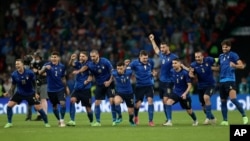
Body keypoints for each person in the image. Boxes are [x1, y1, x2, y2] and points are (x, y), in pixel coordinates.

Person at [75, 49, 118, 126]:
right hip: (99, 85)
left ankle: (114, 120)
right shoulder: (91, 64)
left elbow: (113, 72)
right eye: (91, 56)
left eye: (94, 56)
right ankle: (98, 122)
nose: (92, 58)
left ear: (98, 55)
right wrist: (88, 80)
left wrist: (109, 81)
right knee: (97, 102)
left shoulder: (105, 61)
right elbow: (90, 75)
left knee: (112, 100)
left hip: (109, 84)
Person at [3, 59, 50, 128]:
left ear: (22, 64)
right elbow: (13, 85)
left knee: (38, 107)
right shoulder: (14, 74)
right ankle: (9, 123)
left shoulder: (30, 73)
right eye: (16, 64)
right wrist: (9, 93)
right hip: (19, 93)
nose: (17, 65)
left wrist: (36, 93)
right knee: (9, 106)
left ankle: (46, 123)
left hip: (30, 93)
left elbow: (34, 83)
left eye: (18, 64)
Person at [216, 39, 248, 125]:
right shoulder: (221, 56)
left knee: (233, 99)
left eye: (226, 47)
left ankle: (244, 116)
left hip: (230, 80)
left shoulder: (233, 55)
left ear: (229, 47)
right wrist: (209, 68)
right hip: (221, 81)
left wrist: (234, 65)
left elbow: (241, 66)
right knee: (223, 101)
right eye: (223, 47)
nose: (224, 48)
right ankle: (225, 121)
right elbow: (219, 68)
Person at [148, 34, 178, 125]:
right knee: (163, 101)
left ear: (168, 47)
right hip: (162, 81)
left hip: (169, 82)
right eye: (161, 47)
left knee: (166, 100)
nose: (161, 49)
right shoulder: (162, 55)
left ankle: (169, 120)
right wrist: (152, 40)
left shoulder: (174, 57)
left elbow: (179, 66)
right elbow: (156, 49)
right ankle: (167, 119)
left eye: (163, 47)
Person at [39, 51, 69, 127]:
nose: (53, 58)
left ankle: (62, 120)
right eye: (52, 57)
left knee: (63, 104)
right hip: (50, 90)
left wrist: (66, 87)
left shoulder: (62, 66)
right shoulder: (47, 65)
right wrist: (45, 68)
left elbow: (63, 78)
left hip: (60, 89)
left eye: (55, 57)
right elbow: (40, 73)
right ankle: (59, 120)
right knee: (54, 106)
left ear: (58, 58)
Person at [164, 58, 198, 126]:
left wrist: (185, 93)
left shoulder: (185, 73)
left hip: (184, 94)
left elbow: (189, 85)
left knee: (189, 111)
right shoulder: (172, 71)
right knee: (168, 102)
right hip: (176, 92)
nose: (173, 65)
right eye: (173, 63)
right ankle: (169, 121)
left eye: (175, 63)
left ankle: (195, 120)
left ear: (180, 64)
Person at [66, 52, 94, 126]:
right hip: (77, 88)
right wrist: (71, 59)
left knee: (88, 108)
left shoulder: (90, 64)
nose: (81, 57)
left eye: (83, 56)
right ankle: (72, 121)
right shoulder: (78, 63)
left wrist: (79, 71)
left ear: (87, 57)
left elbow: (85, 68)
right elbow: (70, 65)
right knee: (72, 100)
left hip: (86, 89)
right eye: (80, 56)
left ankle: (91, 121)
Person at [189, 51, 217, 125]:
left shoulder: (209, 60)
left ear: (202, 56)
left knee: (206, 97)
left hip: (210, 84)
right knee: (203, 107)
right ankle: (212, 117)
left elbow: (217, 60)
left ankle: (207, 119)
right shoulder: (193, 65)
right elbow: (192, 75)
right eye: (196, 57)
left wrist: (217, 67)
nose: (197, 58)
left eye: (199, 57)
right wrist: (191, 74)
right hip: (201, 86)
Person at [129, 50, 155, 126]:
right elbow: (128, 70)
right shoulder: (134, 63)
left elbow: (152, 69)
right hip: (139, 86)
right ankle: (136, 116)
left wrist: (153, 73)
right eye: (144, 58)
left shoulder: (151, 62)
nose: (146, 60)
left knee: (150, 101)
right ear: (140, 57)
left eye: (146, 58)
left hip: (149, 85)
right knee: (137, 105)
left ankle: (151, 121)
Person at [112, 61, 136, 126]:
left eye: (121, 68)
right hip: (119, 93)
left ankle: (131, 120)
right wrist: (108, 82)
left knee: (131, 111)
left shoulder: (129, 72)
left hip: (129, 93)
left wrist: (128, 64)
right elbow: (111, 76)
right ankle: (119, 117)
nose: (119, 70)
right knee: (116, 101)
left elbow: (133, 67)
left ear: (124, 68)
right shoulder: (114, 73)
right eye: (118, 69)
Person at [31, 52, 49, 121]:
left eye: (36, 56)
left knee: (43, 99)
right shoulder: (34, 64)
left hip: (44, 83)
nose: (35, 58)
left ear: (40, 57)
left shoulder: (45, 63)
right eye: (35, 57)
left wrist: (37, 71)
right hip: (36, 83)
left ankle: (45, 115)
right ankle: (39, 115)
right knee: (36, 99)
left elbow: (45, 74)